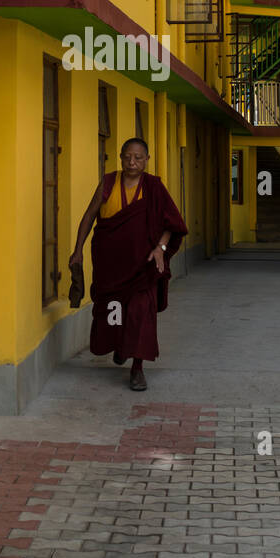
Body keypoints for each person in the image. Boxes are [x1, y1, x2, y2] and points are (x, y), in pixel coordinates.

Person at [69, 137, 187, 391]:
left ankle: (137, 369)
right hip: (110, 266)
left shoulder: (154, 187)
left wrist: (160, 248)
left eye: (138, 157)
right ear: (121, 157)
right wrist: (77, 250)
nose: (132, 162)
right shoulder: (108, 182)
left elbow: (171, 223)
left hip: (142, 267)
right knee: (113, 313)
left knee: (140, 313)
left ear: (147, 161)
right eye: (127, 157)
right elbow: (90, 216)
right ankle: (121, 348)